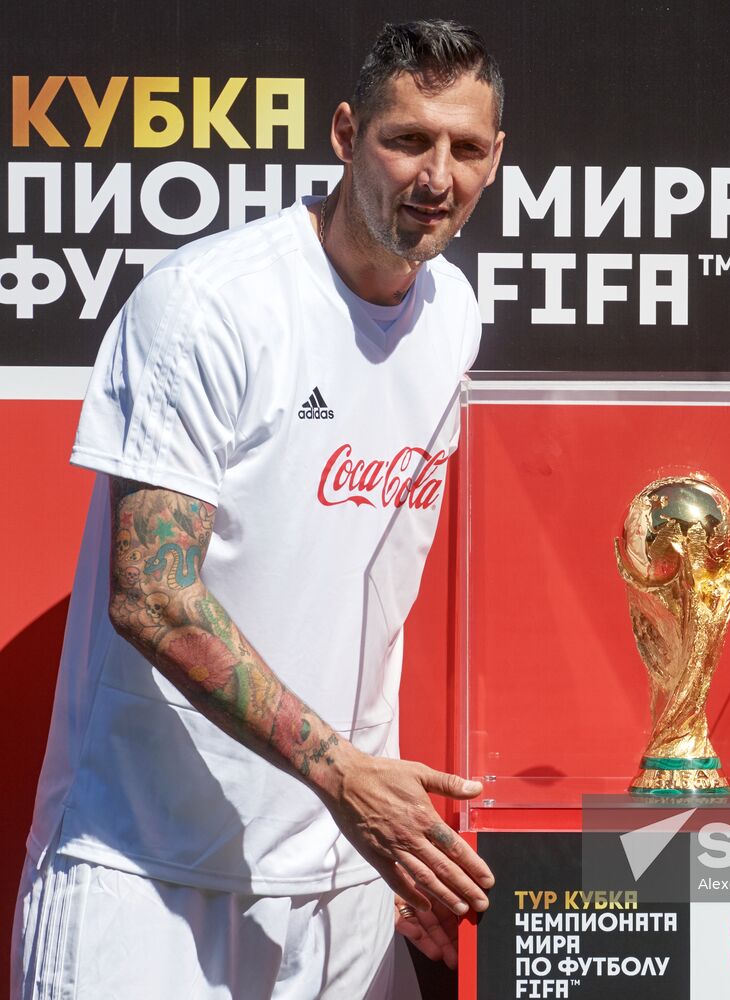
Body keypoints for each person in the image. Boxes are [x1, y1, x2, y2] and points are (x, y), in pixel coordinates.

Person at [12, 19, 505, 999]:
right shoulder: (209, 305)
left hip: (344, 880)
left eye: (466, 147)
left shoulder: (453, 316)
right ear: (342, 135)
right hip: (145, 876)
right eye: (406, 138)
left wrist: (382, 835)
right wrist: (346, 778)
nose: (436, 176)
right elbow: (151, 593)